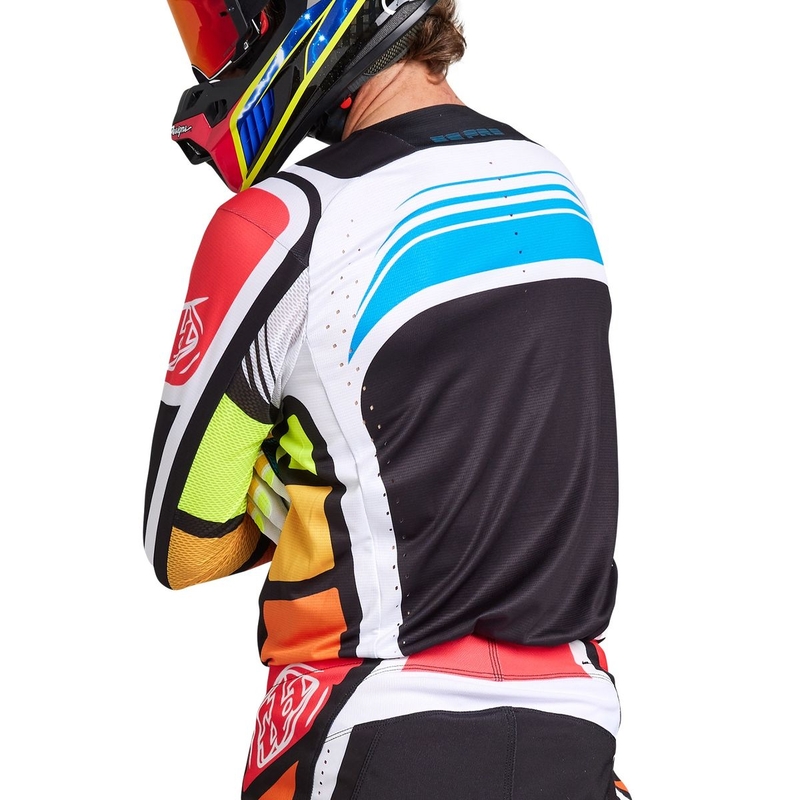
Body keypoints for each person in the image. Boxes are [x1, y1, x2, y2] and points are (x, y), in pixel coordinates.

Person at [143, 1, 633, 797]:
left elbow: (184, 545)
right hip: (575, 727)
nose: (215, 55)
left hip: (371, 725)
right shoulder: (557, 190)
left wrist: (304, 476)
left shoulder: (281, 224)